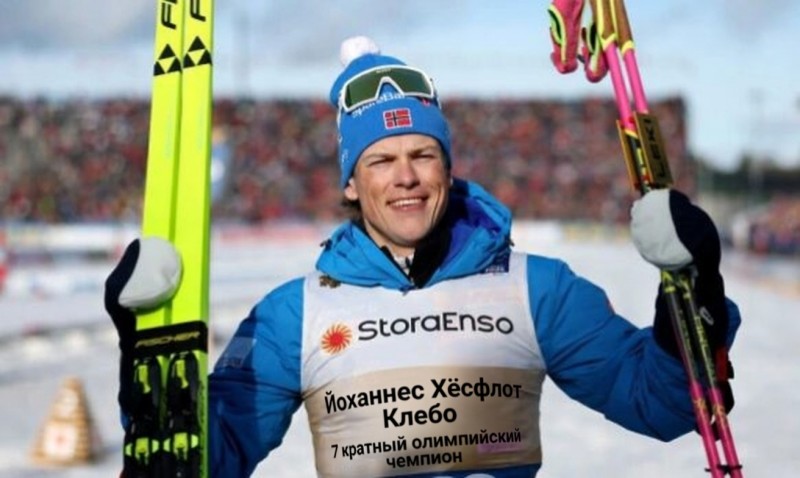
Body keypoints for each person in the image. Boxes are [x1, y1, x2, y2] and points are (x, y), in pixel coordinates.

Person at [106, 36, 741, 477]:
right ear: (351, 183)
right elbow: (205, 463)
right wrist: (144, 348)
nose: (405, 177)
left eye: (422, 155)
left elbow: (662, 403)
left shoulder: (537, 289)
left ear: (447, 167)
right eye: (381, 160)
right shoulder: (291, 315)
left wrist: (693, 286)